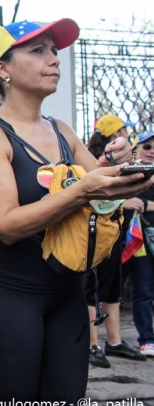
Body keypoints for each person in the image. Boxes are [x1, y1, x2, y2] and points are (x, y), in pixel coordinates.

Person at [0, 18, 152, 406]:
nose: (54, 59)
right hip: (7, 298)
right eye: (38, 50)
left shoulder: (63, 131)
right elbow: (6, 225)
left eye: (54, 50)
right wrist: (82, 188)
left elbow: (107, 193)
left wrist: (127, 163)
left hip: (66, 294)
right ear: (3, 68)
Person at [85, 115, 146, 367]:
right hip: (94, 232)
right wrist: (124, 200)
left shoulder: (124, 160)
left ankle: (115, 341)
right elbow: (91, 193)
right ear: (111, 135)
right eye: (122, 130)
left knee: (113, 285)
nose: (126, 135)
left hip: (114, 229)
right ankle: (92, 344)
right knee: (92, 287)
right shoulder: (91, 159)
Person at [123, 131, 154, 357]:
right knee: (143, 289)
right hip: (139, 241)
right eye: (146, 146)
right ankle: (147, 338)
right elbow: (130, 201)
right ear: (136, 150)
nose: (152, 150)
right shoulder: (132, 173)